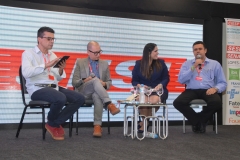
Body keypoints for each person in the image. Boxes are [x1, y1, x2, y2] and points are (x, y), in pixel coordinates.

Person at [21, 26, 85, 140]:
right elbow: (26, 72)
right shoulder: (28, 53)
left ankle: (53, 123)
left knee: (79, 98)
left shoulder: (52, 54)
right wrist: (46, 65)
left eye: (53, 39)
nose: (51, 42)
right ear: (39, 39)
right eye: (49, 39)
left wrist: (60, 69)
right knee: (60, 98)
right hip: (37, 88)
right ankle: (53, 123)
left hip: (53, 86)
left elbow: (58, 77)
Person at [173, 41, 227, 133]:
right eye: (195, 50)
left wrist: (215, 88)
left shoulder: (215, 64)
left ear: (205, 50)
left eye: (200, 49)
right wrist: (193, 66)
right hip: (191, 90)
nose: (198, 51)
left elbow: (223, 83)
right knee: (178, 102)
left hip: (208, 90)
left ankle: (197, 121)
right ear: (193, 52)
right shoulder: (187, 64)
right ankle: (200, 122)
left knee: (217, 103)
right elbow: (181, 80)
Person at [72, 41, 120, 138]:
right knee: (94, 80)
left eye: (99, 52)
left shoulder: (105, 64)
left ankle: (97, 126)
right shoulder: (80, 62)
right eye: (95, 53)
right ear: (88, 52)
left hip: (98, 92)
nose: (98, 55)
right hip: (83, 91)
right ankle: (109, 104)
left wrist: (104, 84)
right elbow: (74, 83)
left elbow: (109, 83)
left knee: (97, 94)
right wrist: (85, 80)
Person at [131, 43, 170, 133]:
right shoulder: (138, 64)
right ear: (148, 53)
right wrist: (140, 85)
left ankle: (144, 122)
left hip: (158, 90)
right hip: (144, 91)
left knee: (153, 100)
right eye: (155, 51)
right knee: (141, 100)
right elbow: (134, 81)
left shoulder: (161, 63)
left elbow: (166, 78)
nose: (158, 53)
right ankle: (146, 121)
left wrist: (161, 84)